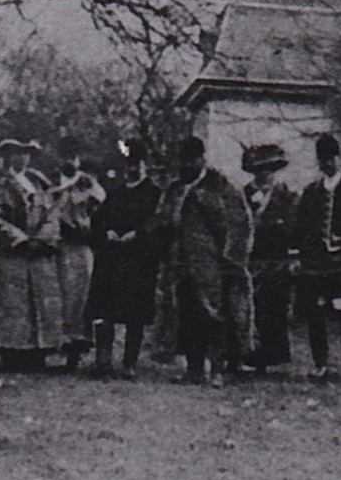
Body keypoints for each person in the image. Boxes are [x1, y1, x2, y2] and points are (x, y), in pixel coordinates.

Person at [0, 138, 65, 372]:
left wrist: (42, 238)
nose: (22, 158)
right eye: (16, 154)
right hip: (11, 254)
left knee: (40, 301)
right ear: (8, 157)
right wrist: (20, 239)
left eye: (26, 154)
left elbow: (52, 214)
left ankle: (39, 351)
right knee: (14, 304)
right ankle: (13, 353)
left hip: (38, 252)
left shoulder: (40, 184)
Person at [172, 136, 253, 386]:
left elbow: (238, 222)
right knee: (188, 314)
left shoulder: (220, 186)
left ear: (201, 159)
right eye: (183, 161)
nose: (186, 166)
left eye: (190, 161)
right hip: (183, 261)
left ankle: (217, 368)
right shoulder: (178, 188)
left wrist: (228, 258)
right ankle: (194, 369)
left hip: (212, 264)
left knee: (213, 314)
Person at [85, 138, 164, 379]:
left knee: (135, 314)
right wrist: (106, 231)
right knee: (103, 310)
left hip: (139, 260)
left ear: (145, 166)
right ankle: (103, 360)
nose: (132, 170)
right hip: (111, 258)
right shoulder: (116, 192)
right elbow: (99, 219)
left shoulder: (154, 194)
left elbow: (159, 223)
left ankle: (130, 362)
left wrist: (138, 234)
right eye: (128, 165)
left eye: (137, 165)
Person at [292, 133, 341, 382]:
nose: (327, 164)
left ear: (338, 159)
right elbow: (300, 227)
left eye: (331, 159)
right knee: (315, 312)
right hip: (315, 262)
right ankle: (320, 363)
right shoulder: (311, 192)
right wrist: (298, 255)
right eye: (322, 160)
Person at [48, 137, 105, 372]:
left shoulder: (86, 184)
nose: (69, 162)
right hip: (56, 246)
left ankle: (75, 351)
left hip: (79, 246)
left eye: (73, 157)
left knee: (78, 297)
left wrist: (86, 225)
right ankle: (53, 347)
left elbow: (99, 204)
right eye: (65, 157)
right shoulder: (52, 181)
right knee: (55, 295)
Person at [242, 144, 297, 374]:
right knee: (249, 307)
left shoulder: (286, 196)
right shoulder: (243, 195)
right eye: (259, 169)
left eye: (269, 169)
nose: (265, 174)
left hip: (276, 259)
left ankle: (269, 357)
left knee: (273, 308)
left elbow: (295, 228)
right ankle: (247, 355)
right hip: (251, 259)